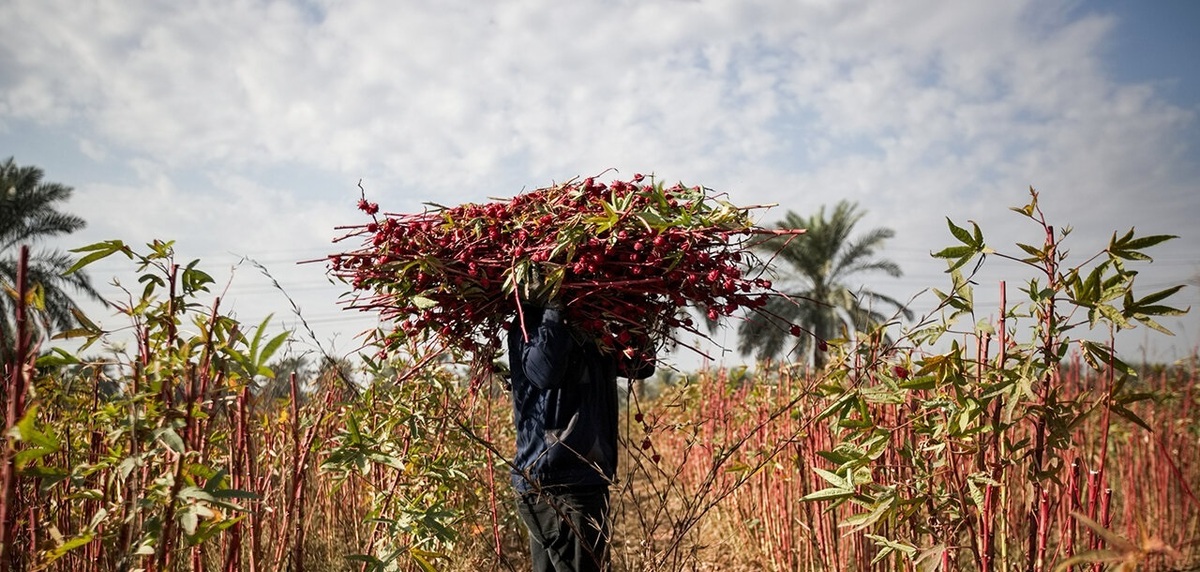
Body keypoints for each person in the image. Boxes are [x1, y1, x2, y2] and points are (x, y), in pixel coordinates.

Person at [507, 300, 655, 572]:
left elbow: (642, 366)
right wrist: (554, 309)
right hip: (558, 480)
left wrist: (631, 314)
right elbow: (545, 372)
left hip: (581, 476)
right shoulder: (532, 324)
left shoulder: (595, 329)